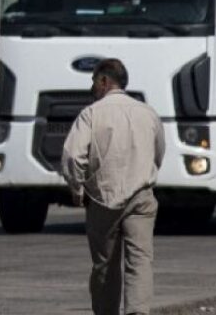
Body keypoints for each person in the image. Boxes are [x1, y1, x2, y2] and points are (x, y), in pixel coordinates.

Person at [62, 58, 164, 315]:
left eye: (94, 81)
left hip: (103, 197)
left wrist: (77, 188)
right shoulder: (147, 112)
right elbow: (159, 151)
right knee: (140, 259)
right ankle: (138, 312)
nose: (93, 88)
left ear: (105, 81)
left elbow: (74, 156)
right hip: (141, 196)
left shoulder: (92, 114)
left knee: (105, 264)